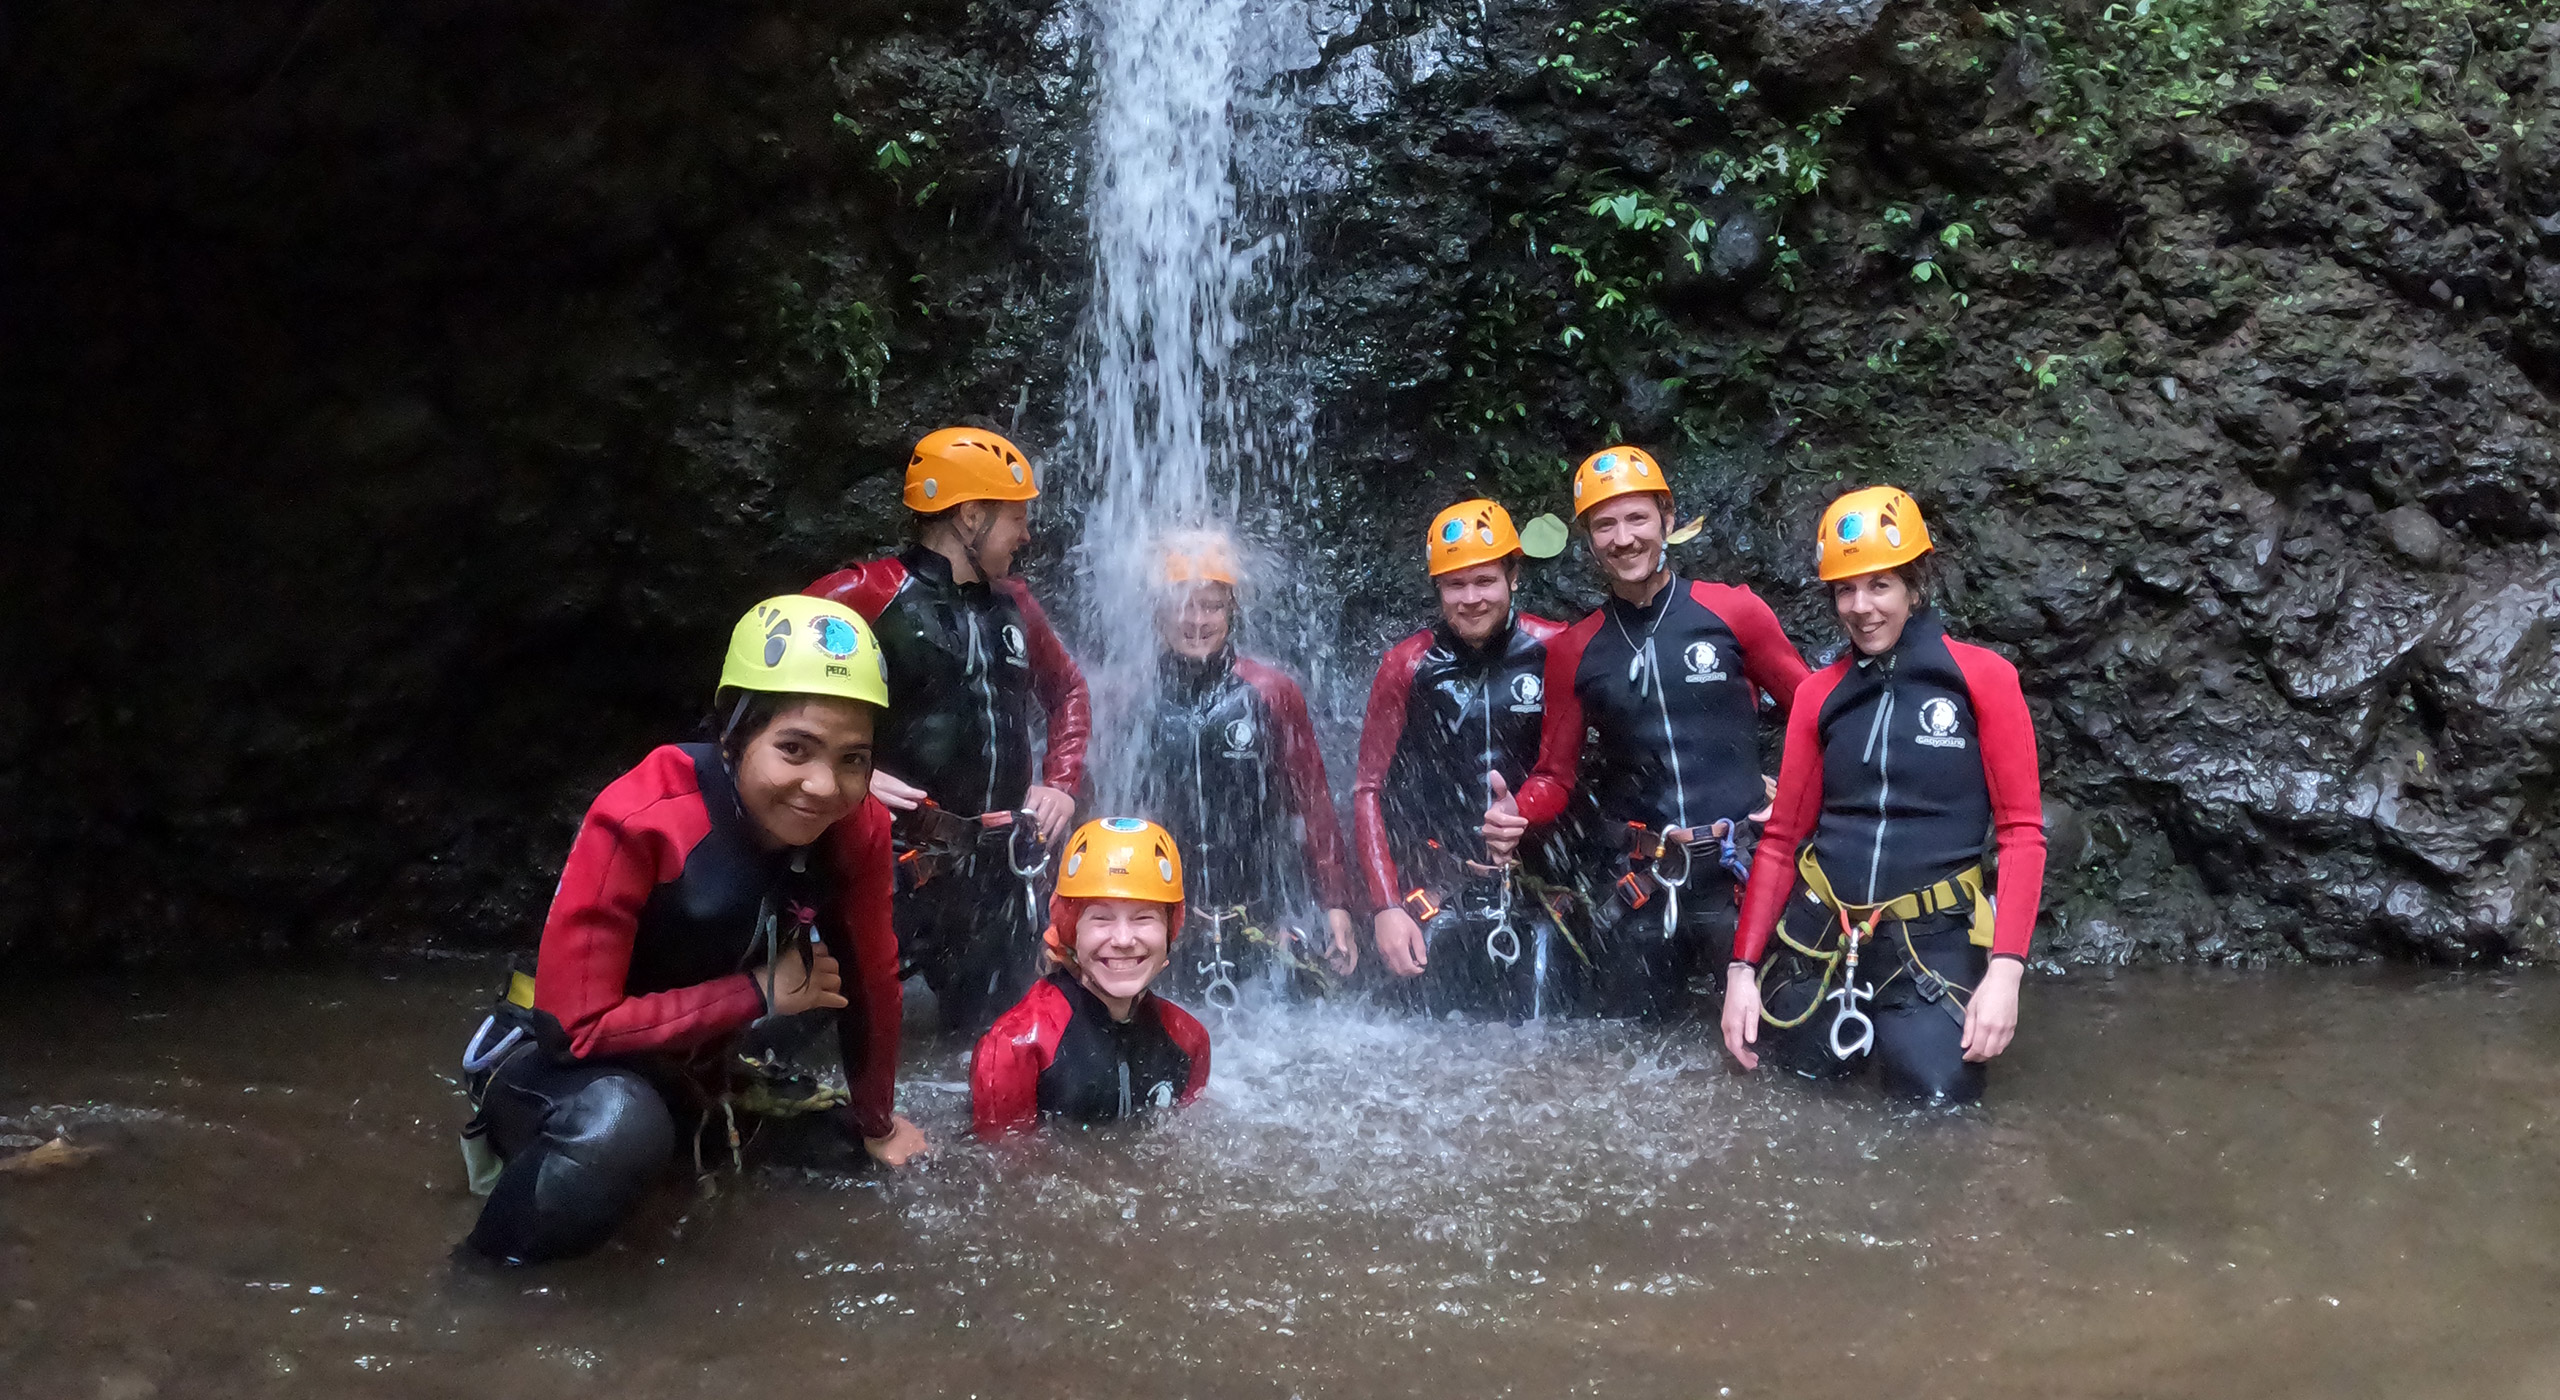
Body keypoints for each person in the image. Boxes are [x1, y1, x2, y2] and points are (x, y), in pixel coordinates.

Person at [460, 596, 927, 1266]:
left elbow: (871, 980)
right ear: (734, 734)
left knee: (851, 1152)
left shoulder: (859, 828)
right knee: (620, 1130)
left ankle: (693, 1135)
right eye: (794, 749)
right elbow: (574, 1029)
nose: (823, 786)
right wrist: (756, 995)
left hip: (699, 1065)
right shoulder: (644, 816)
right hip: (556, 1067)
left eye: (854, 759)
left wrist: (878, 1124)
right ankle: (476, 1285)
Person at [1719, 487, 2046, 1102]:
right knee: (1781, 1096)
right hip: (1821, 938)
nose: (1861, 608)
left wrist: (2006, 971)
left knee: (1935, 1109)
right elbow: (1783, 839)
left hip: (1927, 946)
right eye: (1846, 590)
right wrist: (1742, 970)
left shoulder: (1982, 680)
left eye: (1880, 586)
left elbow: (2022, 834)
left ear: (1914, 585)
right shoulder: (1820, 695)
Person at [1482, 446, 1811, 1020]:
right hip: (1643, 880)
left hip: (1742, 873)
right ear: (1588, 540)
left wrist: (1796, 800)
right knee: (1624, 1051)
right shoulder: (1575, 648)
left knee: (1777, 1050)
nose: (1623, 538)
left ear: (1668, 517)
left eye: (1637, 518)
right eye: (1604, 524)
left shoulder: (1734, 612)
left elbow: (1814, 711)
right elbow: (1555, 775)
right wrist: (1518, 815)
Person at [805, 426, 1091, 1034]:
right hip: (893, 862)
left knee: (994, 1047)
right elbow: (764, 693)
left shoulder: (1015, 604)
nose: (1027, 533)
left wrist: (1061, 781)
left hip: (994, 874)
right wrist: (846, 771)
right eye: (1016, 517)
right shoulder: (867, 594)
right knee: (825, 1032)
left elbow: (1067, 690)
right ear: (969, 516)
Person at [1355, 499, 1585, 1020]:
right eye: (1455, 585)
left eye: (1484, 581)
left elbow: (1571, 768)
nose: (1471, 598)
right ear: (1438, 589)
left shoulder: (1557, 649)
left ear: (1513, 575)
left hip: (1541, 882)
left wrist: (1523, 813)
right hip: (1444, 883)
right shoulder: (1406, 666)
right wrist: (1387, 908)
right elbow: (1369, 790)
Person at [1134, 531, 1359, 1006]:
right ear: (1158, 611)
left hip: (1259, 918)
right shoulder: (1133, 698)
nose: (1197, 620)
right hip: (1164, 926)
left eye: (1212, 606)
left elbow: (1313, 803)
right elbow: (1109, 810)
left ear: (1232, 609)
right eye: (1183, 605)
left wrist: (1335, 903)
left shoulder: (1272, 693)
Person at [971, 818, 1212, 1136]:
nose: (1124, 940)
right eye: (1101, 918)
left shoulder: (1189, 1041)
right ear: (1071, 930)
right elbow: (1004, 1173)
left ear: (1170, 931)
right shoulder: (1015, 1048)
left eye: (1143, 918)